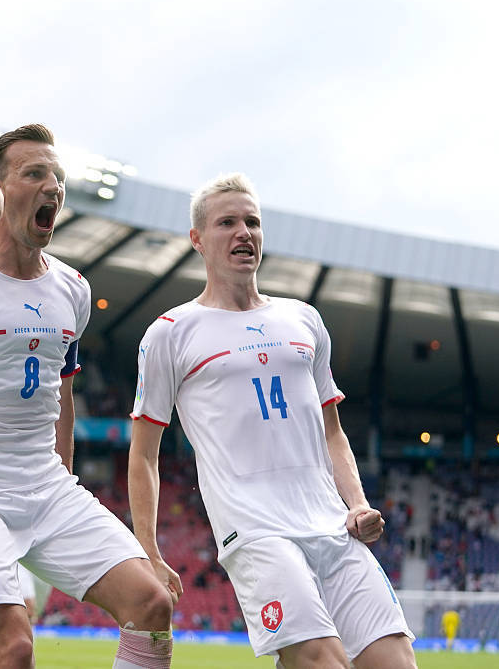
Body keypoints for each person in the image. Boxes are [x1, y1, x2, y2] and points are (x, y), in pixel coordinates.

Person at [0, 124, 179, 669]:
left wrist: (64, 479)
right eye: (34, 174)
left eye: (58, 176)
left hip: (48, 488)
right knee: (14, 648)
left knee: (151, 604)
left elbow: (62, 396)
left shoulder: (72, 289)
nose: (53, 186)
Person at [128, 173, 416, 669]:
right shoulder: (170, 333)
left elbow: (332, 432)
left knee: (397, 663)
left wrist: (357, 504)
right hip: (256, 532)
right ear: (197, 239)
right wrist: (149, 551)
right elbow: (144, 455)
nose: (244, 232)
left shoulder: (304, 319)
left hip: (333, 529)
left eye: (253, 222)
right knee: (323, 661)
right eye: (227, 223)